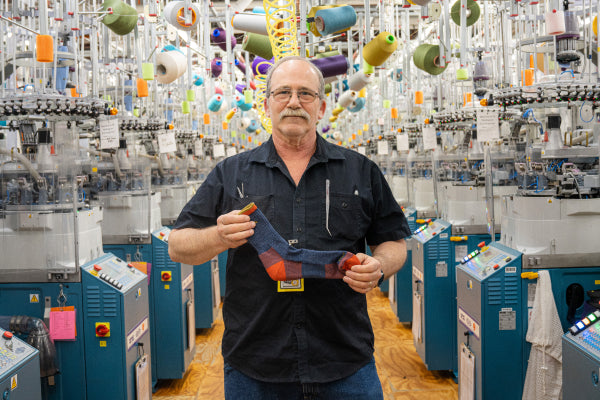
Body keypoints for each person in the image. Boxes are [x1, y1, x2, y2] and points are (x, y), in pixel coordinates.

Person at [168, 55, 411, 399]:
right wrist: (219, 236)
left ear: (322, 107)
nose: (294, 102)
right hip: (256, 364)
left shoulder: (360, 171)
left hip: (343, 360)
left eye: (305, 94)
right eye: (283, 93)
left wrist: (379, 266)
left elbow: (393, 243)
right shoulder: (232, 174)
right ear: (267, 104)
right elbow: (177, 246)